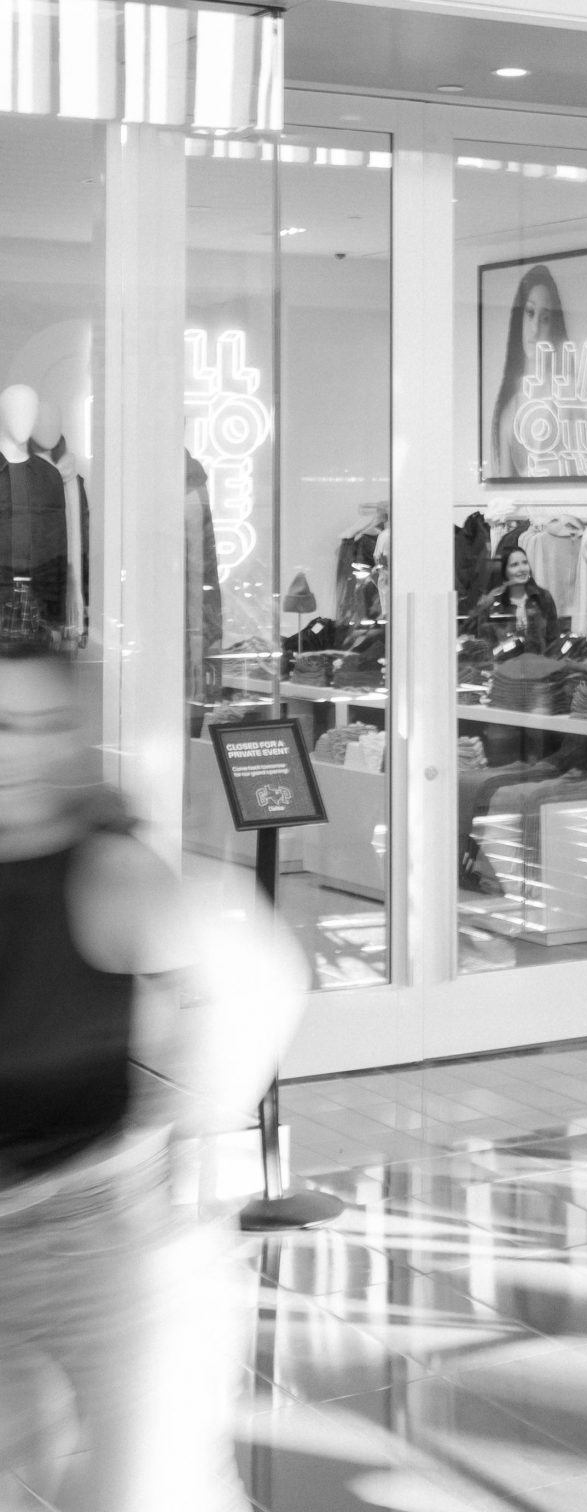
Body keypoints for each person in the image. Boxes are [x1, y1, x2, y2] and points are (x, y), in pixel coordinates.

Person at [0, 636, 283, 1510]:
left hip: (95, 1238)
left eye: (45, 723)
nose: (21, 751)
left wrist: (183, 1143)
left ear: (74, 734)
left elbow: (249, 992)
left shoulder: (111, 870)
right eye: (2, 725)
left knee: (151, 1488)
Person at [489, 263, 568, 478]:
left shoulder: (566, 395)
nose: (535, 328)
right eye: (530, 313)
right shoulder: (508, 414)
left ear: (553, 325)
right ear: (520, 318)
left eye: (545, 318)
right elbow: (504, 489)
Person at [471, 545, 558, 651]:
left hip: (539, 660)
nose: (522, 569)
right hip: (504, 660)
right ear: (504, 570)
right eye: (514, 565)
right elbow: (486, 646)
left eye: (525, 563)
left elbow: (553, 640)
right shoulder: (492, 603)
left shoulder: (542, 597)